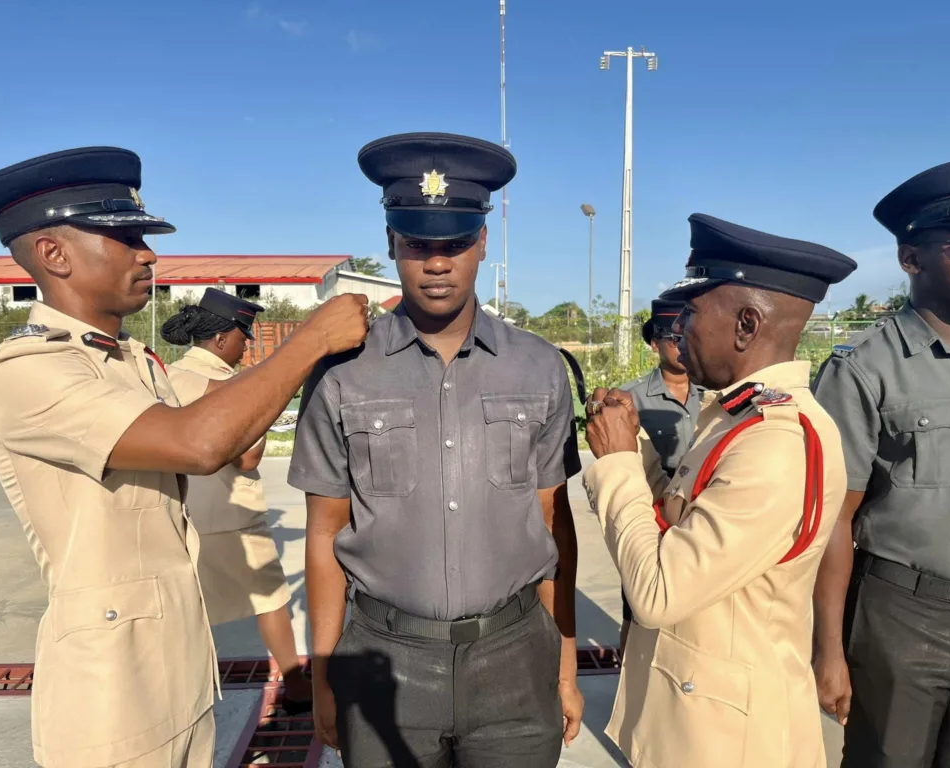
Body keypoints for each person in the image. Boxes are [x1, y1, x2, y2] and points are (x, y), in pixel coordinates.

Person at [0, 147, 368, 768]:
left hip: (180, 667)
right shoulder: (27, 369)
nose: (148, 254)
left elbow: (220, 432)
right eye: (123, 238)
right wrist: (310, 340)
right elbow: (198, 444)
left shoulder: (130, 358)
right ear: (53, 254)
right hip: (110, 694)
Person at [288, 132, 583, 768]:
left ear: (482, 242)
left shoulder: (539, 367)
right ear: (392, 242)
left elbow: (554, 525)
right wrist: (323, 674)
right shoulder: (342, 372)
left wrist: (564, 664)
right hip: (384, 661)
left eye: (454, 244)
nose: (437, 263)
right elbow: (323, 532)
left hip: (513, 659)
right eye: (419, 243)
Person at [583, 213, 856, 768]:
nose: (676, 328)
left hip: (731, 741)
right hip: (697, 719)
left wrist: (614, 465)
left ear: (746, 325)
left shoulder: (776, 442)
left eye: (691, 312)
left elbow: (658, 592)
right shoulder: (737, 416)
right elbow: (676, 524)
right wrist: (633, 448)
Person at [812, 159, 950, 768]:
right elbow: (833, 519)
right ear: (912, 258)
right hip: (905, 622)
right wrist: (828, 646)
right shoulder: (863, 369)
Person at [161, 288, 310, 702]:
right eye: (244, 337)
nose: (247, 347)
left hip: (185, 515)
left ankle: (183, 691)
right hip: (234, 518)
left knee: (188, 610)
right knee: (271, 598)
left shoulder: (170, 377)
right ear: (222, 338)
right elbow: (248, 458)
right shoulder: (225, 385)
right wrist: (259, 402)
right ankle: (297, 687)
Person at [615, 297, 703, 651]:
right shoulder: (630, 399)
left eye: (686, 335)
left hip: (700, 519)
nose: (680, 344)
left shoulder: (714, 395)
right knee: (638, 606)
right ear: (655, 344)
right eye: (671, 337)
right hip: (651, 519)